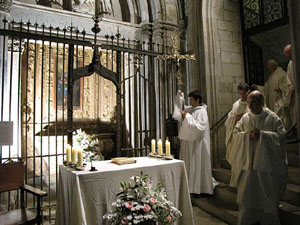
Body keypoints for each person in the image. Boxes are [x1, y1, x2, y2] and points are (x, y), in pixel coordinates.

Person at [230, 90, 287, 225]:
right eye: (249, 103)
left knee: (267, 195)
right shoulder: (246, 118)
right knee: (247, 196)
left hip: (266, 166)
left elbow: (281, 136)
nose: (250, 106)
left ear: (261, 102)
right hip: (248, 165)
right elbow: (235, 134)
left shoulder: (272, 118)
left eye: (253, 102)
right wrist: (246, 136)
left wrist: (263, 135)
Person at [173, 90, 214, 196]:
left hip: (198, 144)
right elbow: (182, 108)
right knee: (190, 164)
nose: (190, 102)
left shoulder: (202, 111)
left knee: (197, 163)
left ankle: (199, 188)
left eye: (191, 100)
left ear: (197, 100)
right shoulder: (192, 108)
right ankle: (190, 187)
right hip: (190, 143)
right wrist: (180, 98)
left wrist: (187, 116)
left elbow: (200, 126)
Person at [225, 83, 249, 168]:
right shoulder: (236, 104)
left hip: (248, 136)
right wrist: (235, 118)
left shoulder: (252, 103)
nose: (242, 96)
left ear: (248, 92)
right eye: (240, 94)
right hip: (238, 135)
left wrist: (244, 116)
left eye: (244, 94)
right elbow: (229, 119)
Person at [284, 44, 296, 127]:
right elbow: (288, 80)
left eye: (289, 54)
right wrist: (291, 88)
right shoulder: (290, 64)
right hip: (294, 93)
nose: (289, 57)